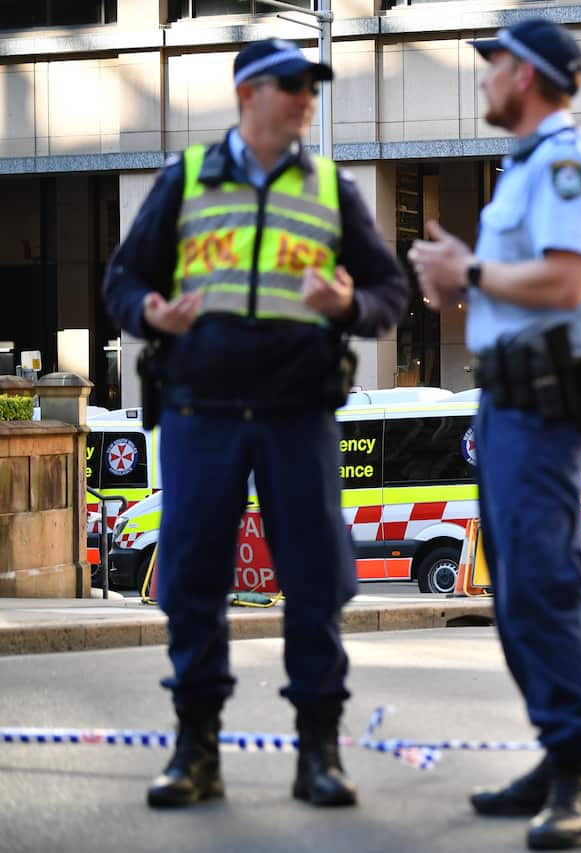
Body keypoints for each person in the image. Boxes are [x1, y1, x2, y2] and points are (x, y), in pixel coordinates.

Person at [102, 38, 408, 809]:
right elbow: (122, 277)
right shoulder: (188, 180)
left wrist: (348, 306)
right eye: (291, 86)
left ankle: (319, 753)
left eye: (312, 87)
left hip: (298, 413)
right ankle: (195, 750)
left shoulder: (333, 189)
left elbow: (389, 291)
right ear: (248, 95)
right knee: (194, 579)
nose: (307, 98)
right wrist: (149, 311)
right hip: (201, 412)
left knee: (313, 584)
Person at [408, 18, 581, 848]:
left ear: (527, 75)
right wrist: (468, 278)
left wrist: (467, 271)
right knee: (514, 589)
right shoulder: (528, 169)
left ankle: (576, 774)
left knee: (539, 578)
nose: (483, 76)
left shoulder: (567, 163)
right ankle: (556, 751)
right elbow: (523, 281)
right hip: (507, 401)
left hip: (542, 401)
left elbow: (568, 281)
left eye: (493, 63)